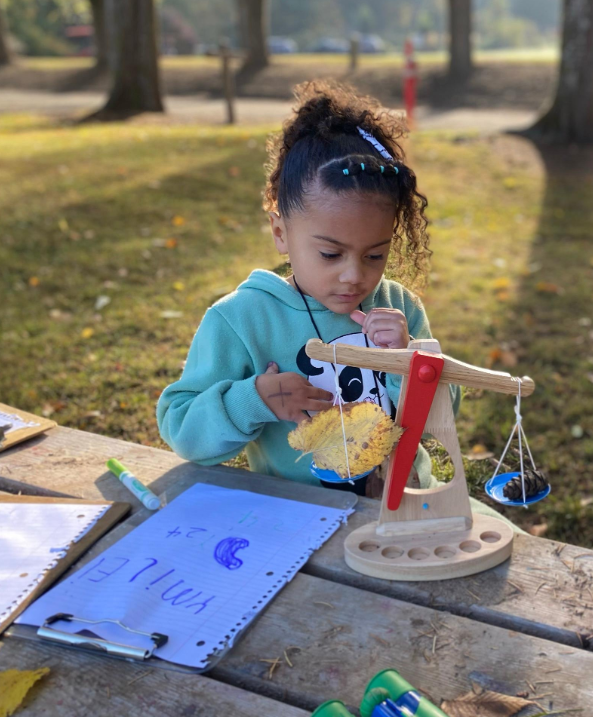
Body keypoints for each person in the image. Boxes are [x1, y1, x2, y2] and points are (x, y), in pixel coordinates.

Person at [158, 81, 454, 497]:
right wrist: (252, 399)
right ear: (281, 232)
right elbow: (183, 432)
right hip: (297, 517)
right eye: (331, 255)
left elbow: (445, 420)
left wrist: (408, 364)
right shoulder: (242, 321)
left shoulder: (398, 307)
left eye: (374, 256)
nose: (354, 276)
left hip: (405, 504)